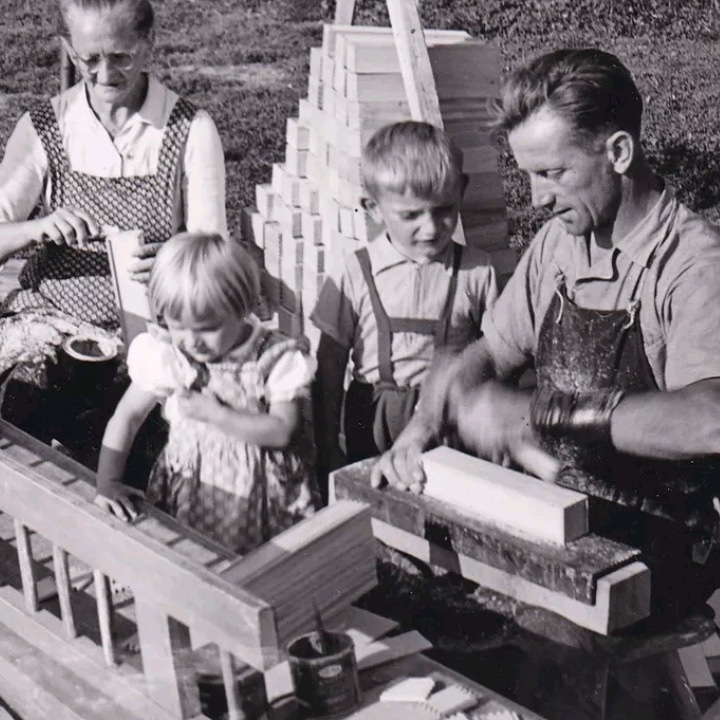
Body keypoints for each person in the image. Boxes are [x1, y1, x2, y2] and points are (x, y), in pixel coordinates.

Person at [374, 49, 720, 623]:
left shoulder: (692, 264)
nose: (536, 198)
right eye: (528, 174)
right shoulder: (558, 244)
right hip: (558, 514)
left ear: (618, 152)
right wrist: (421, 429)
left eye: (553, 173)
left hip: (657, 546)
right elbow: (485, 353)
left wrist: (538, 417)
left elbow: (708, 418)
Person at [0, 0, 227, 453]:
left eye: (121, 56)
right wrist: (36, 228)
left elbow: (215, 257)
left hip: (149, 331)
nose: (105, 75)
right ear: (68, 49)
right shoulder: (47, 126)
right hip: (52, 322)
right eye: (89, 59)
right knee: (23, 405)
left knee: (138, 433)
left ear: (147, 44)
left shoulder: (189, 129)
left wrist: (172, 259)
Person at [94, 232, 318, 554]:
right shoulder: (171, 356)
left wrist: (217, 415)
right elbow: (128, 415)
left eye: (208, 328)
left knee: (266, 574)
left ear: (241, 308)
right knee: (193, 563)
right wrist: (108, 481)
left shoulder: (272, 356)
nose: (192, 341)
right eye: (178, 326)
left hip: (264, 496)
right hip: (195, 489)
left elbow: (282, 430)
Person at [311, 121, 497, 496]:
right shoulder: (356, 272)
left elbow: (497, 356)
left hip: (448, 420)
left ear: (461, 191)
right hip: (372, 417)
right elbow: (330, 364)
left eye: (444, 210)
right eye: (411, 216)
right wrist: (327, 444)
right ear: (373, 208)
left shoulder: (477, 271)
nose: (430, 229)